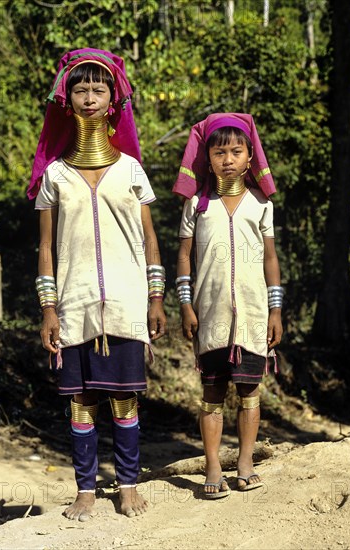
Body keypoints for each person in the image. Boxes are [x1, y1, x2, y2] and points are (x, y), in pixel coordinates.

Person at [28, 48, 166, 521]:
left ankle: (127, 485)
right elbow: (46, 249)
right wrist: (48, 308)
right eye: (80, 89)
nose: (89, 98)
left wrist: (156, 297)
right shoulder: (55, 174)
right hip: (75, 303)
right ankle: (86, 490)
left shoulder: (130, 169)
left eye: (98, 89)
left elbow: (150, 238)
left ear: (114, 100)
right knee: (81, 401)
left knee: (125, 396)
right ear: (67, 100)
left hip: (126, 304)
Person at [173, 113, 283, 498]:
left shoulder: (260, 203)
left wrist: (275, 309)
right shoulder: (198, 206)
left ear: (251, 157)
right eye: (219, 152)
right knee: (212, 394)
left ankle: (246, 461)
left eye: (237, 151)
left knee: (250, 391)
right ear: (207, 157)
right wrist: (186, 304)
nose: (228, 159)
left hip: (253, 315)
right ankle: (214, 466)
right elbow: (184, 255)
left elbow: (271, 259)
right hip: (212, 314)